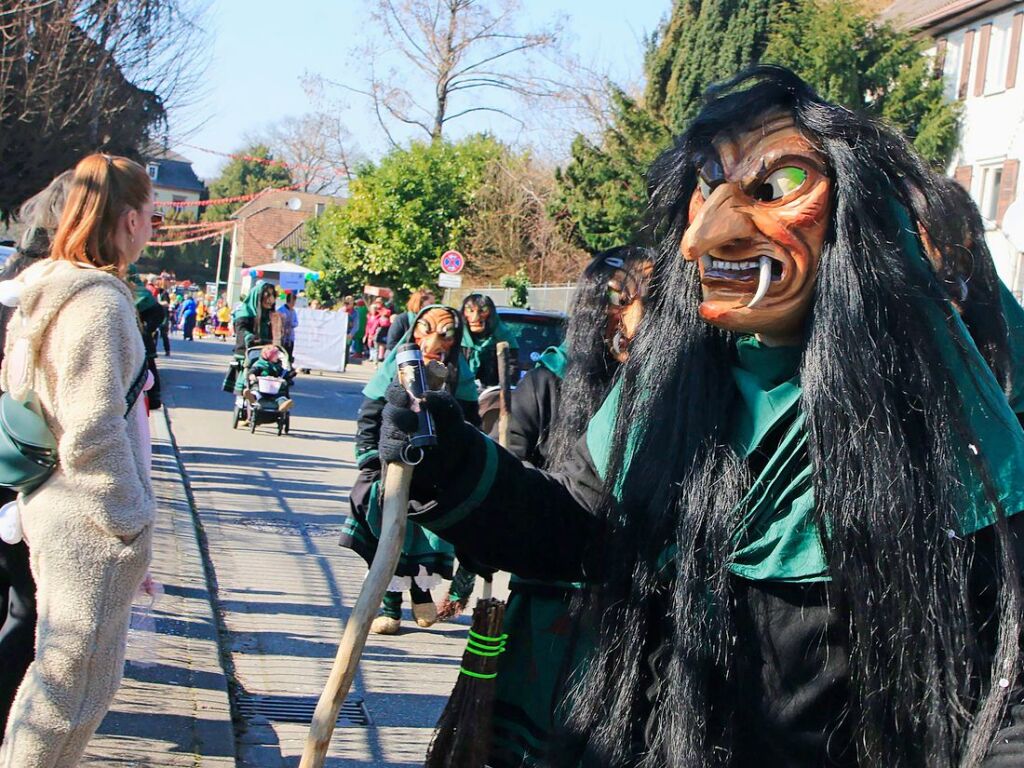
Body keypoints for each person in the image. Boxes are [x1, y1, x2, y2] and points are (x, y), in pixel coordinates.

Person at [376, 67, 1024, 767]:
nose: (704, 237)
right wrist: (450, 460)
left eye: (773, 189)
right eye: (705, 187)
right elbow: (576, 534)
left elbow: (1007, 676)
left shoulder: (939, 422)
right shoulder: (670, 386)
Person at [0, 153, 157, 766]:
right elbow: (92, 431)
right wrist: (129, 517)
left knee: (63, 682)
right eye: (150, 215)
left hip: (54, 504)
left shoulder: (50, 289)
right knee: (69, 690)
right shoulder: (98, 303)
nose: (152, 229)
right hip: (84, 521)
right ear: (125, 220)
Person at [486, 247, 653, 767]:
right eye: (624, 299)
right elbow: (514, 474)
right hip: (553, 584)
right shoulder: (547, 382)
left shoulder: (668, 385)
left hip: (631, 595)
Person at [340, 304, 481, 635]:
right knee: (387, 530)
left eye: (445, 334)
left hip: (435, 472)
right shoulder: (395, 369)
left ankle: (421, 594)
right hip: (392, 466)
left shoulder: (460, 376)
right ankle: (389, 605)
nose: (433, 342)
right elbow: (370, 416)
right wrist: (369, 459)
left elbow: (470, 423)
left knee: (428, 535)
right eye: (427, 330)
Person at [0, 171, 73, 742]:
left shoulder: (15, 283)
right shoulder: (52, 294)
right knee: (27, 611)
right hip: (23, 469)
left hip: (13, 462)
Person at [461, 293, 519, 386]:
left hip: (490, 395)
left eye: (482, 311)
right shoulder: (457, 338)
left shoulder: (503, 337)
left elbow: (511, 371)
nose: (475, 318)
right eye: (470, 311)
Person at [246, 345, 294, 412]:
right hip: (261, 387)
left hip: (274, 388)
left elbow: (285, 375)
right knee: (256, 390)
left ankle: (282, 405)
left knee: (281, 395)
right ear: (270, 356)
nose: (278, 357)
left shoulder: (278, 366)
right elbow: (253, 370)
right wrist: (252, 375)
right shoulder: (260, 364)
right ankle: (252, 397)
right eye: (276, 355)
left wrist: (294, 372)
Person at [278, 291, 299, 359]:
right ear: (290, 301)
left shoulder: (293, 311)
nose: (294, 304)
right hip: (282, 337)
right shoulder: (281, 310)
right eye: (294, 302)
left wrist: (291, 324)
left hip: (290, 337)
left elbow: (296, 322)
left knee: (289, 355)